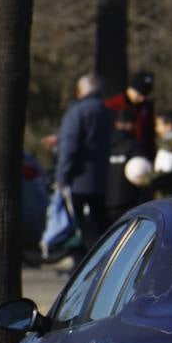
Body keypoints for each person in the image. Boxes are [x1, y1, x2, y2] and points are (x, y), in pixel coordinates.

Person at [55, 73, 113, 255]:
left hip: (79, 179)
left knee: (80, 227)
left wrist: (61, 176)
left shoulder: (78, 112)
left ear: (81, 91)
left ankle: (82, 264)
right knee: (100, 223)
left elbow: (69, 147)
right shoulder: (107, 111)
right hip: (101, 178)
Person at [105, 72, 156, 220]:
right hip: (118, 160)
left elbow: (149, 134)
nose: (142, 97)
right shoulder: (113, 105)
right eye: (139, 93)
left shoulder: (146, 106)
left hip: (140, 159)